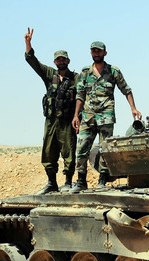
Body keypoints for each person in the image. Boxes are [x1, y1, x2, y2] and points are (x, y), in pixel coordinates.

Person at [70, 41, 141, 193]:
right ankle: (81, 180)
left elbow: (126, 89)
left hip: (106, 115)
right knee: (81, 148)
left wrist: (133, 108)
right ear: (91, 53)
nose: (96, 54)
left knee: (105, 148)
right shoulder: (85, 73)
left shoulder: (113, 71)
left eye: (99, 51)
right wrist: (76, 115)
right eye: (94, 51)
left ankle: (102, 179)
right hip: (88, 116)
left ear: (104, 53)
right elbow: (80, 95)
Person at [24, 28, 78, 194]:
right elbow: (33, 62)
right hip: (51, 120)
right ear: (55, 62)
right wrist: (28, 43)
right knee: (48, 151)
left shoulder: (75, 78)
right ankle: (51, 183)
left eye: (63, 59)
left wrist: (78, 117)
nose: (60, 62)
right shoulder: (49, 74)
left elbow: (81, 98)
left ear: (68, 61)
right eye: (58, 60)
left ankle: (68, 182)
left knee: (69, 151)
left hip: (67, 121)